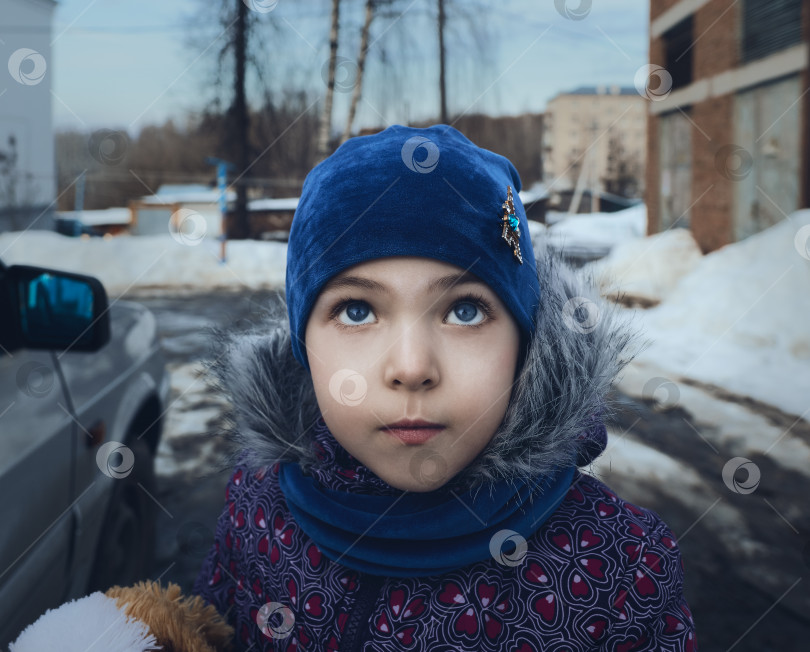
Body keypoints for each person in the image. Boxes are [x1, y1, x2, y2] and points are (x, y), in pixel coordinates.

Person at [192, 124, 698, 651]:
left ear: (524, 342)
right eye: (357, 310)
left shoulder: (618, 570)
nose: (411, 368)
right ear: (303, 346)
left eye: (465, 310)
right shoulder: (258, 503)